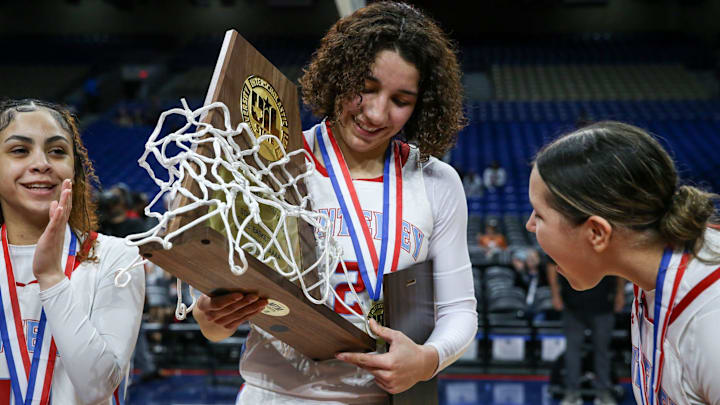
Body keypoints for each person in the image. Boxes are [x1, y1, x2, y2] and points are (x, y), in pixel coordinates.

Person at [193, 2, 477, 404]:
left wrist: (427, 360)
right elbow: (215, 319)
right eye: (367, 86)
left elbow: (459, 311)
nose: (376, 112)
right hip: (277, 395)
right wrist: (213, 318)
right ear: (339, 74)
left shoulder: (437, 181)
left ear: (421, 106)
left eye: (401, 99)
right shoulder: (273, 161)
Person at [526, 121, 720, 405]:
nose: (529, 225)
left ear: (597, 233)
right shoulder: (653, 275)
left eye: (539, 215)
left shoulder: (710, 322)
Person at [0, 99, 145, 404]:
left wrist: (52, 278)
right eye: (19, 150)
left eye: (57, 151)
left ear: (75, 170)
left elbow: (96, 386)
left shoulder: (116, 257)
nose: (42, 163)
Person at [546, 255, 625, 405]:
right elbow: (551, 264)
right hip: (573, 304)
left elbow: (617, 264)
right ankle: (572, 393)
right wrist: (555, 294)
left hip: (603, 304)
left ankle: (603, 393)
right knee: (572, 351)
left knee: (602, 351)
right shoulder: (566, 234)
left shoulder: (605, 233)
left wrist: (620, 293)